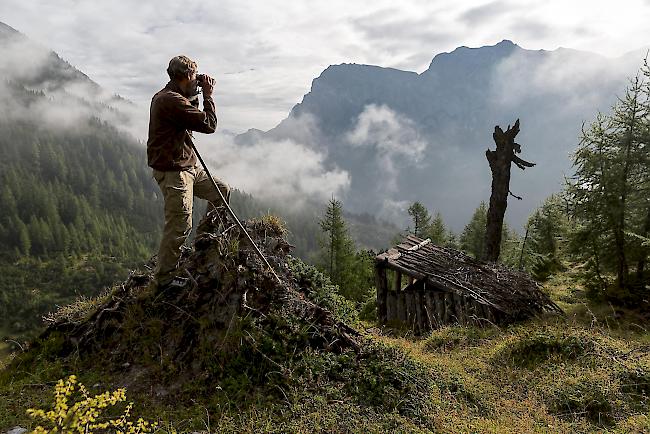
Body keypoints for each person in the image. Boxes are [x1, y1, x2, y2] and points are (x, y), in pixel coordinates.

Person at [147, 55, 230, 290]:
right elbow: (208, 125)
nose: (199, 79)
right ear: (186, 76)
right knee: (180, 222)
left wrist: (194, 92)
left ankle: (204, 242)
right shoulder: (169, 100)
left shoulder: (174, 96)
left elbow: (188, 115)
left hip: (188, 166)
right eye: (195, 75)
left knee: (221, 192)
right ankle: (163, 280)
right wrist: (209, 96)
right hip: (174, 171)